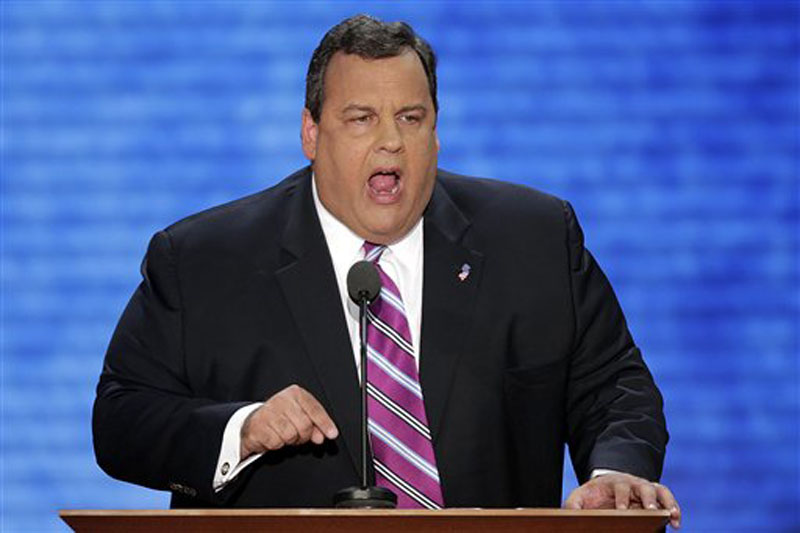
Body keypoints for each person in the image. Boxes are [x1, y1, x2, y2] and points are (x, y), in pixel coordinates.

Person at [93, 14, 681, 529]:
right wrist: (240, 430)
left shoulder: (534, 239)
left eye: (410, 117)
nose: (391, 142)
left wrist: (615, 472)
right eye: (360, 119)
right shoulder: (204, 261)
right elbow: (121, 420)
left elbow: (613, 387)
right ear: (310, 133)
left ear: (436, 130)